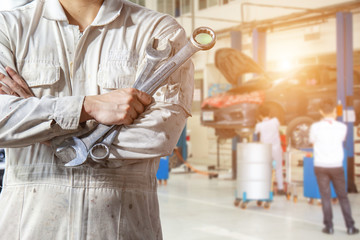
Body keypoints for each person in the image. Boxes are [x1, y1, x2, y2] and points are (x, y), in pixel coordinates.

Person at [0, 0, 194, 239]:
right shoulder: (8, 27)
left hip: (122, 231)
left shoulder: (158, 31)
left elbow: (158, 136)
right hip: (28, 230)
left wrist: (43, 128)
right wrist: (87, 107)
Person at [309, 99, 358, 235]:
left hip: (320, 165)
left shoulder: (315, 127)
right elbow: (340, 140)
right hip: (336, 165)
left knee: (325, 197)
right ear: (335, 111)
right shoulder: (342, 127)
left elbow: (312, 141)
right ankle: (350, 227)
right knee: (343, 196)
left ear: (320, 111)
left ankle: (329, 227)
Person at [254, 105, 285, 195]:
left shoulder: (259, 125)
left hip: (265, 149)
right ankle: (280, 189)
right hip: (276, 148)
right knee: (278, 168)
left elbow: (255, 135)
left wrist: (258, 122)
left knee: (266, 169)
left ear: (260, 115)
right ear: (270, 113)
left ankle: (267, 189)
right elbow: (278, 126)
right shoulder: (275, 121)